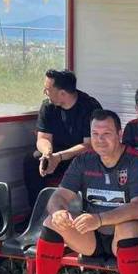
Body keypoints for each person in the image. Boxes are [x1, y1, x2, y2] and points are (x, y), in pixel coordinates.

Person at [26, 109, 138, 274]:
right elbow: (58, 197)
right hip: (94, 236)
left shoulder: (137, 161)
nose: (100, 139)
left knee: (127, 225)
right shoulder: (84, 160)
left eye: (106, 133)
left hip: (136, 237)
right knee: (52, 222)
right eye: (95, 134)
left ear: (119, 134)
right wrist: (59, 211)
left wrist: (99, 219)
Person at [23, 69, 102, 208]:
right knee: (32, 160)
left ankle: (83, 210)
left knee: (88, 161)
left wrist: (58, 157)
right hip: (55, 155)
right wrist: (47, 154)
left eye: (47, 89)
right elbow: (42, 138)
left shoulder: (90, 107)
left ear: (62, 93)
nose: (44, 92)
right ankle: (38, 211)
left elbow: (89, 145)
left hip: (80, 157)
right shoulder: (48, 106)